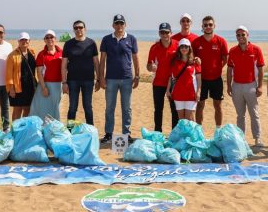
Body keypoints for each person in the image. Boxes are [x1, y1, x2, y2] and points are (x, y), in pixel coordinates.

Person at [99, 14, 139, 144]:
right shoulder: (106, 39)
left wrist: (137, 76)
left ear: (125, 25)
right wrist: (101, 77)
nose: (119, 25)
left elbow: (135, 58)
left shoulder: (131, 39)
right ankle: (108, 134)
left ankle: (126, 133)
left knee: (127, 108)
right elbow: (102, 60)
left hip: (127, 79)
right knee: (109, 107)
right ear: (113, 25)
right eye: (117, 23)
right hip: (110, 79)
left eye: (121, 23)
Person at [226, 26, 265, 147]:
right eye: (238, 35)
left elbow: (261, 69)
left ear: (247, 35)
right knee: (240, 115)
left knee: (254, 114)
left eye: (243, 34)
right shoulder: (233, 51)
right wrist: (229, 86)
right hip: (236, 86)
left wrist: (260, 86)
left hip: (251, 86)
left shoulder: (256, 50)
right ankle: (241, 138)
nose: (241, 37)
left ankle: (257, 138)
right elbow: (229, 69)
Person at [192, 15, 228, 127]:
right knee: (200, 105)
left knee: (218, 105)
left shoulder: (221, 41)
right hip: (201, 80)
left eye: (210, 24)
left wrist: (217, 68)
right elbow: (191, 58)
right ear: (202, 26)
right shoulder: (196, 42)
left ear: (214, 26)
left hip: (216, 79)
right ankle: (199, 130)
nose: (208, 27)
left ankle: (218, 130)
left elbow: (225, 59)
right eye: (205, 25)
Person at [61, 20, 99, 125]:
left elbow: (96, 62)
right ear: (73, 30)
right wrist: (64, 82)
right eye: (76, 28)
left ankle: (91, 129)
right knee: (72, 107)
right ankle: (69, 130)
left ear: (85, 29)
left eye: (80, 27)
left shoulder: (91, 43)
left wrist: (98, 79)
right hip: (72, 80)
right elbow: (63, 64)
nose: (78, 29)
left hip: (88, 80)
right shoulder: (68, 44)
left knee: (88, 107)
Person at [147, 22, 179, 132]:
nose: (165, 34)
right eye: (162, 32)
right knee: (158, 109)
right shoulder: (154, 47)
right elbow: (148, 65)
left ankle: (174, 133)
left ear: (171, 33)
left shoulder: (177, 45)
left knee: (174, 109)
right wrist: (151, 67)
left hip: (173, 83)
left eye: (167, 32)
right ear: (159, 33)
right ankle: (158, 133)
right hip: (158, 83)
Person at [30, 30, 64, 120]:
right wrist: (44, 87)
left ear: (55, 39)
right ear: (44, 40)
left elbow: (66, 69)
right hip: (45, 84)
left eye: (51, 37)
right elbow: (39, 72)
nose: (49, 39)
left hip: (58, 85)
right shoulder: (41, 54)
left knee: (55, 108)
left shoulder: (62, 52)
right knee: (39, 108)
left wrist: (65, 83)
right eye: (47, 37)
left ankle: (54, 126)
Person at [167, 38, 202, 121]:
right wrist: (167, 90)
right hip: (178, 94)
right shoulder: (174, 62)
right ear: (179, 48)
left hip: (191, 94)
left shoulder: (195, 62)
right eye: (182, 46)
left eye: (186, 47)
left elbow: (199, 80)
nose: (184, 49)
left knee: (190, 120)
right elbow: (171, 77)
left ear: (189, 48)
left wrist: (198, 92)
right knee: (181, 120)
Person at [6, 32, 38, 121]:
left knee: (27, 108)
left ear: (29, 41)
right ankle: (15, 128)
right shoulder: (12, 55)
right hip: (17, 86)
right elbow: (9, 73)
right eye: (22, 40)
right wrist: (11, 88)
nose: (24, 41)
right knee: (17, 109)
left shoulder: (32, 53)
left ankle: (24, 127)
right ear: (18, 41)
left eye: (26, 39)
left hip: (30, 86)